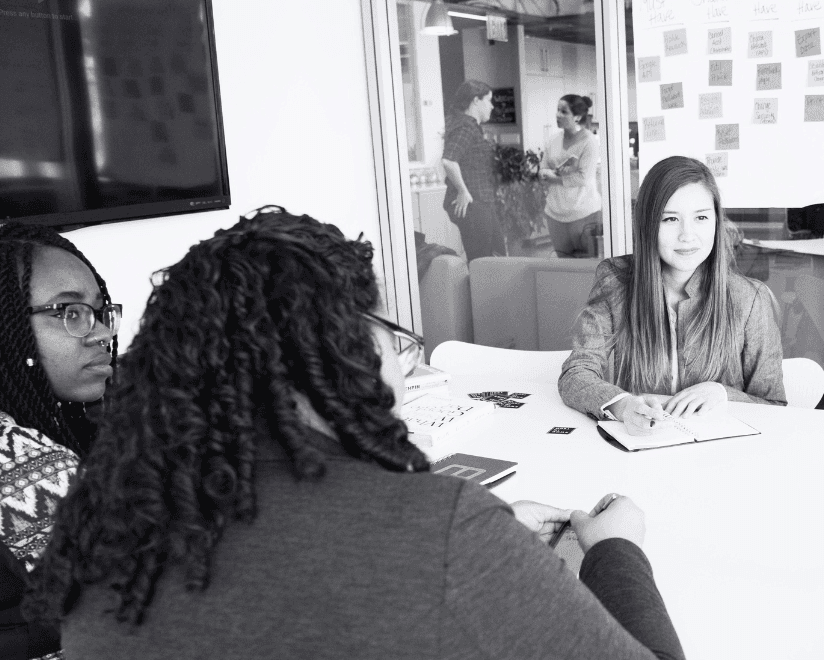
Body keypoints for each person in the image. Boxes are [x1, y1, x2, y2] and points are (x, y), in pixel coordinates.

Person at [23, 208, 684, 660]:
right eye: (394, 339)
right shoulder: (443, 532)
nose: (401, 359)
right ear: (342, 349)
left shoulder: (105, 523)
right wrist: (616, 553)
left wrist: (491, 531)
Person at [559, 156, 786, 435]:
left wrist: (723, 394)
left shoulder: (750, 299)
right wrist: (622, 404)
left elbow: (775, 407)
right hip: (640, 451)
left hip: (720, 460)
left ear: (717, 222)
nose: (687, 235)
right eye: (670, 219)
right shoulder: (615, 281)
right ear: (648, 225)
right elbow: (576, 374)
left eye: (701, 217)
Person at [0, 223, 119, 659]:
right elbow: (140, 612)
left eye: (101, 311)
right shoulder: (27, 467)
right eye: (69, 312)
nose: (103, 334)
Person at [442, 79, 506, 261]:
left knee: (496, 256)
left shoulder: (468, 126)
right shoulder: (466, 127)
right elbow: (449, 160)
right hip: (474, 205)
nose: (492, 106)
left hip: (481, 202)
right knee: (483, 261)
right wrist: (463, 191)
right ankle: (484, 290)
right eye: (489, 100)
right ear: (476, 101)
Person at [540, 95, 602, 259]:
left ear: (577, 117)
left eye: (564, 111)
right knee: (563, 265)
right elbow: (543, 167)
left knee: (586, 265)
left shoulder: (589, 142)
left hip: (584, 213)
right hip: (555, 213)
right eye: (558, 110)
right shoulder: (553, 140)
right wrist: (543, 173)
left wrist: (553, 178)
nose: (558, 115)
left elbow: (583, 177)